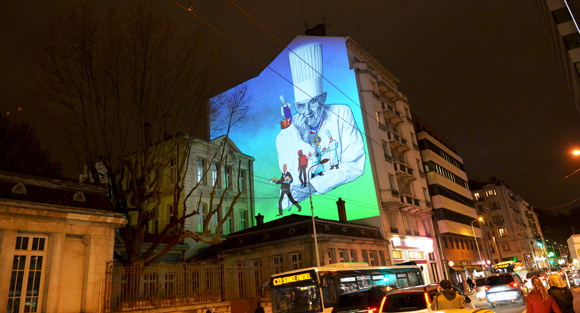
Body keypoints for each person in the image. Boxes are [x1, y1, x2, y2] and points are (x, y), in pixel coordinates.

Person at [275, 43, 365, 207]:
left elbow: (354, 166)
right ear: (295, 107)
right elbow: (295, 180)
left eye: (313, 103)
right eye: (301, 106)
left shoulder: (341, 114)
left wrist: (314, 186)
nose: (307, 111)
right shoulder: (286, 134)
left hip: (346, 202)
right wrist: (303, 139)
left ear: (323, 99)